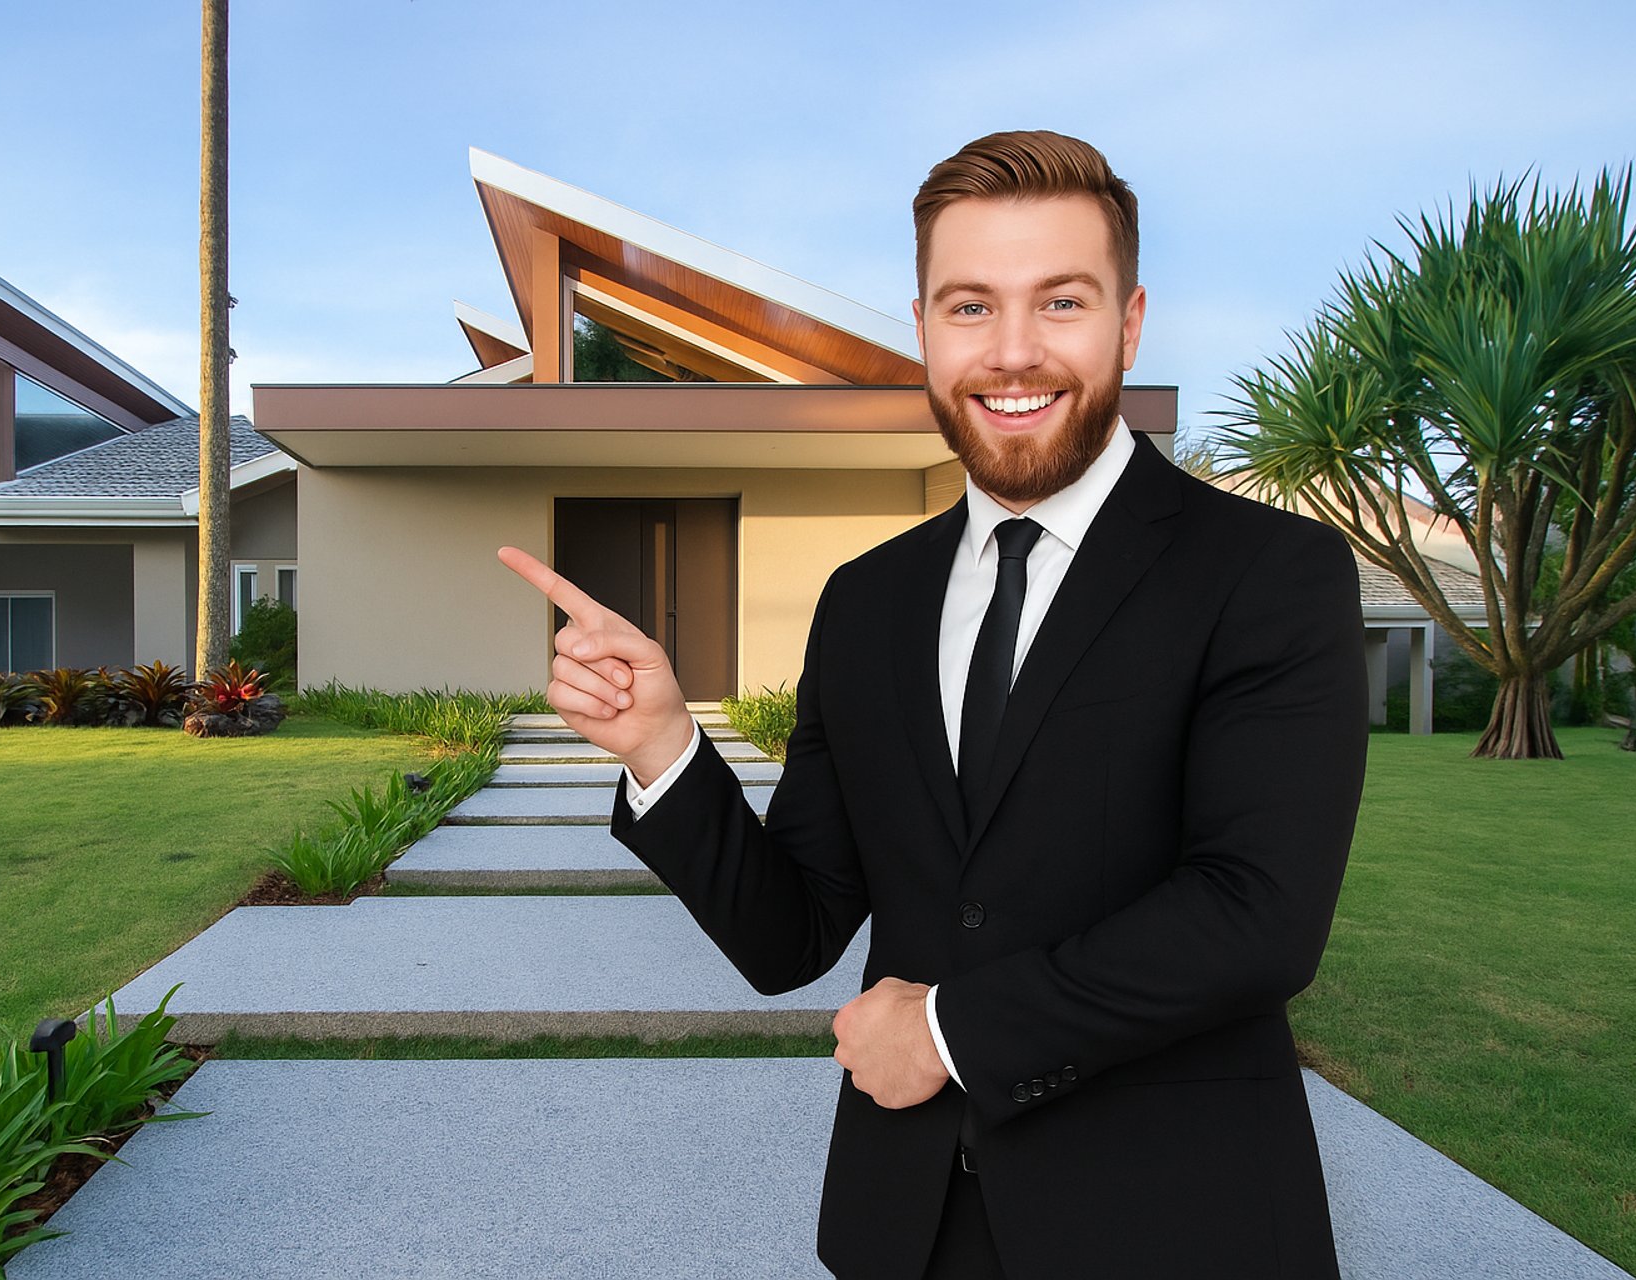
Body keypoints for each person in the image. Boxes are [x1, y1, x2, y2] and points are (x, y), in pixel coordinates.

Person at [499, 129, 1366, 1280]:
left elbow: (1256, 914)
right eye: (970, 307)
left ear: (1131, 320)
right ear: (921, 328)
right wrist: (664, 744)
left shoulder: (1269, 572)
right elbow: (791, 931)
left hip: (1175, 1221)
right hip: (904, 1225)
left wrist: (952, 1032)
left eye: (1060, 301)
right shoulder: (866, 602)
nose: (1013, 353)